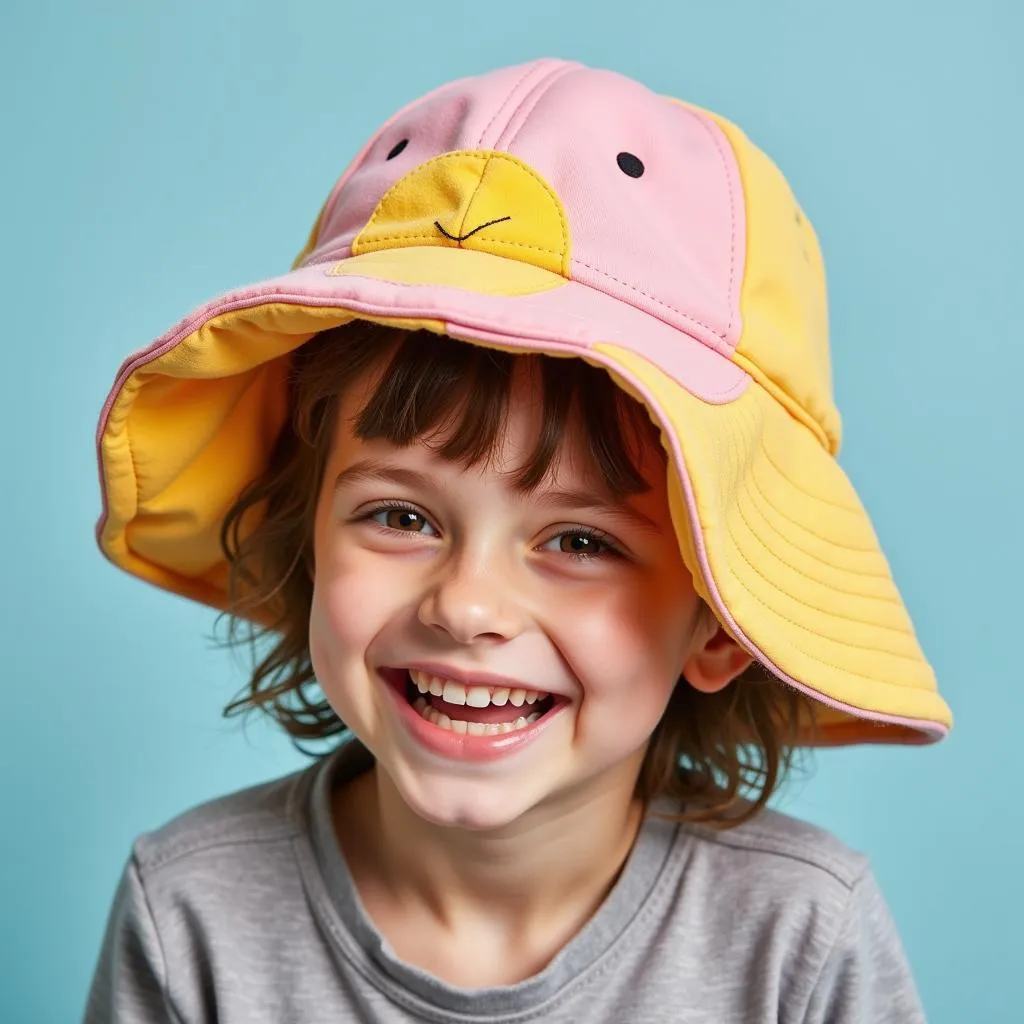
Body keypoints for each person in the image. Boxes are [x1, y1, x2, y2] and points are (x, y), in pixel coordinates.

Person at [84, 58, 953, 1022]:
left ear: (718, 616)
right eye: (402, 517)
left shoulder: (798, 941)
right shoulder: (191, 916)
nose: (468, 606)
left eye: (580, 540)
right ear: (309, 533)